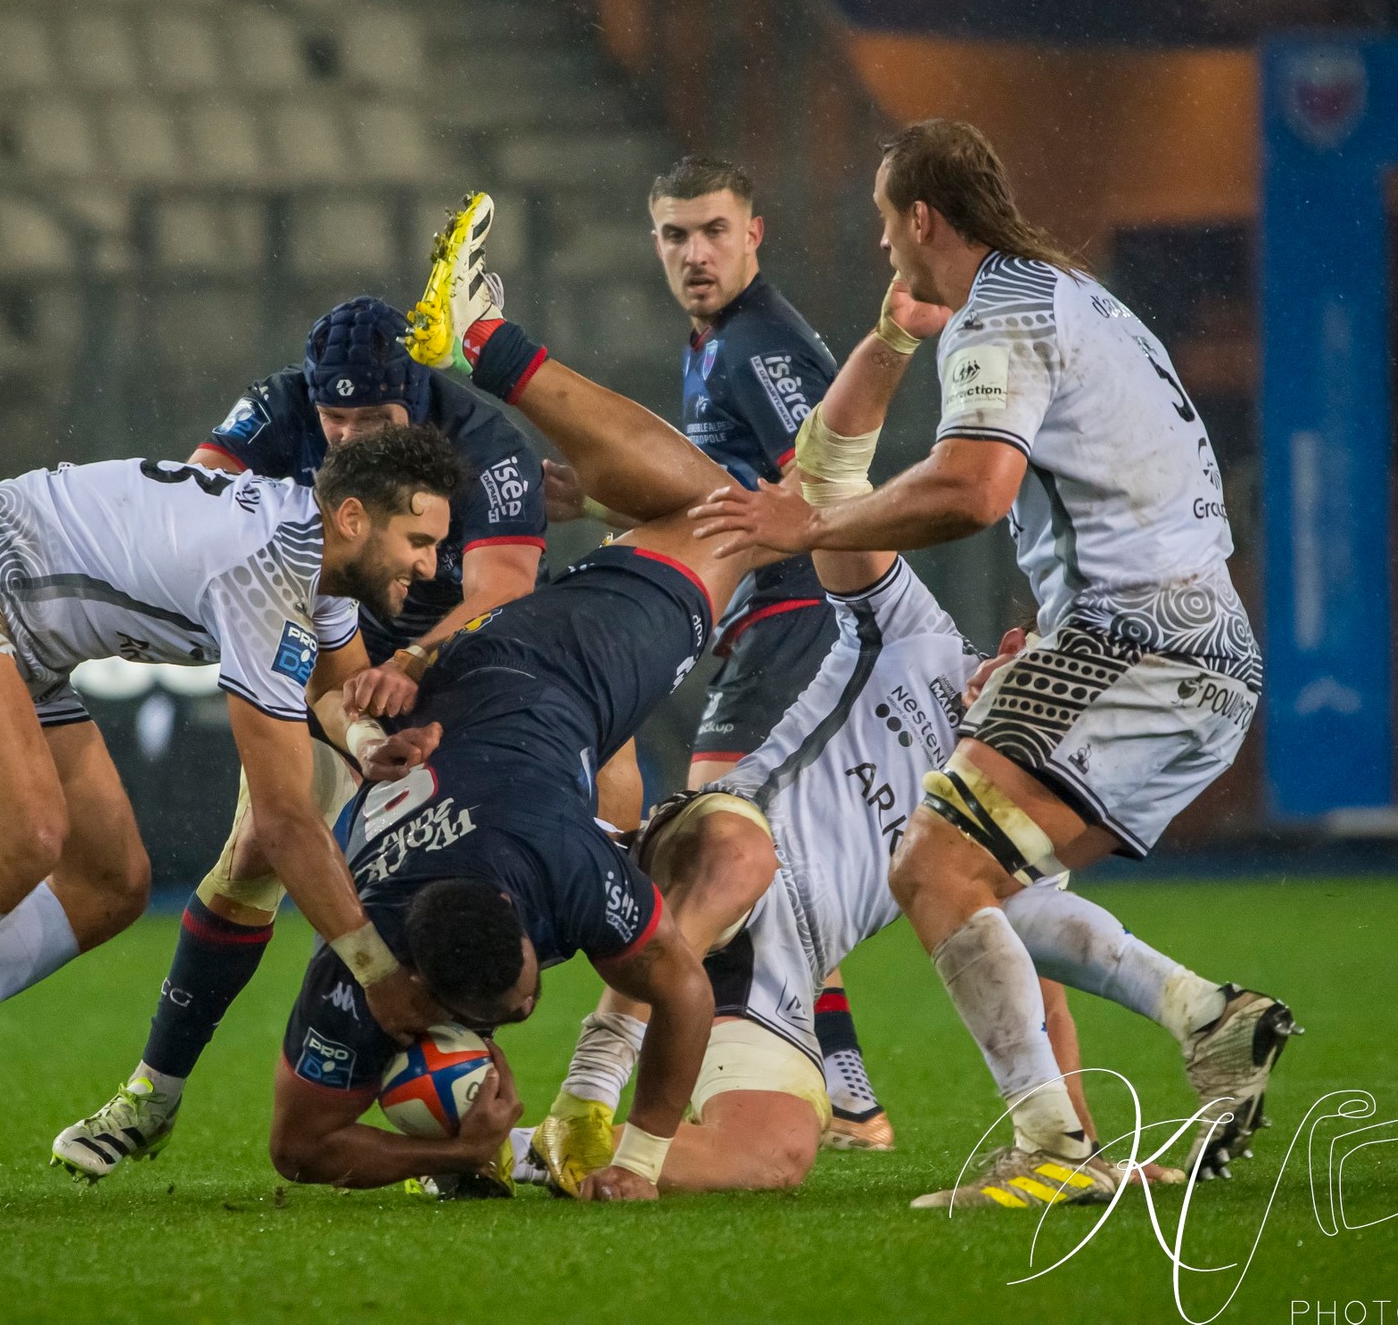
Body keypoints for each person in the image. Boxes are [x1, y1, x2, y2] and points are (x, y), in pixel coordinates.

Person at [522, 307, 1271, 1200]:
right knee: (741, 854)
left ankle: (512, 1152)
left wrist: (1087, 1150)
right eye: (1033, 656)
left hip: (779, 967)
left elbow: (1042, 978)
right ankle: (597, 1080)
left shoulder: (996, 795)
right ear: (1011, 641)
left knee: (768, 1161)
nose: (1028, 675)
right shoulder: (914, 632)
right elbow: (826, 478)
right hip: (706, 859)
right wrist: (891, 339)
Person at [691, 119, 1298, 1201]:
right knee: (984, 883)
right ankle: (1207, 1017)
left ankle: (1053, 1155)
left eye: (886, 226)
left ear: (921, 217)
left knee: (931, 865)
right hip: (1185, 641)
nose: (883, 248)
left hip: (1139, 640)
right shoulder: (1073, 293)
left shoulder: (997, 317)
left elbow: (972, 489)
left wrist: (805, 530)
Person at [0, 425, 465, 1212]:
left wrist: (374, 741)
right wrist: (378, 974)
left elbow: (333, 693)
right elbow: (282, 821)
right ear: (352, 518)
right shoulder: (264, 571)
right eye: (417, 540)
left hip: (22, 636)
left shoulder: (309, 557)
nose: (429, 563)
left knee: (110, 882)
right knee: (28, 835)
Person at [265, 191, 789, 1202]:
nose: (529, 997)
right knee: (716, 522)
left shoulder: (552, 868)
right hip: (470, 713)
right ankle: (532, 407)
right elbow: (296, 1150)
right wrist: (455, 1151)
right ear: (410, 984)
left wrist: (639, 1160)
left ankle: (488, 348)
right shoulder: (366, 965)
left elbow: (677, 985)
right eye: (521, 1000)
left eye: (520, 990)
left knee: (724, 516)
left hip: (540, 666)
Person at [49, 297, 550, 1181]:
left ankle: (462, 1121)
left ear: (418, 397)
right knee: (255, 849)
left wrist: (417, 658)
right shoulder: (280, 407)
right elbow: (195, 496)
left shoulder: (485, 442)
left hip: (461, 676)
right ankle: (153, 1093)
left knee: (455, 872)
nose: (349, 438)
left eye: (374, 419)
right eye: (335, 418)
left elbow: (504, 587)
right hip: (325, 662)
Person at [542, 154, 897, 1151]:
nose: (693, 253)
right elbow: (726, 497)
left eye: (711, 230)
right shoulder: (714, 347)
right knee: (764, 867)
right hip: (771, 628)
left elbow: (822, 490)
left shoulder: (757, 347)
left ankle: (614, 1072)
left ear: (753, 233)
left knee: (708, 854)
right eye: (672, 235)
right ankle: (854, 1103)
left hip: (797, 626)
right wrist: (587, 497)